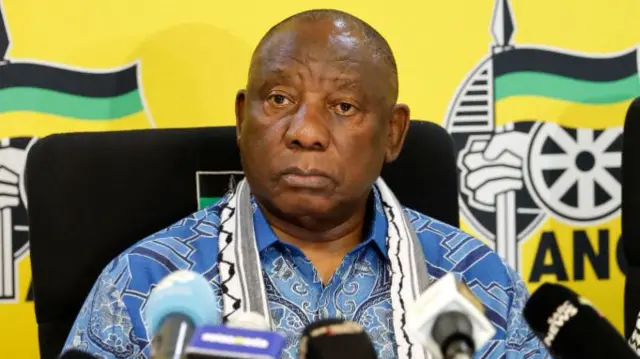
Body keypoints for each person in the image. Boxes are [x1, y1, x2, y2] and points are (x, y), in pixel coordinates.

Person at [62, 9, 549, 359]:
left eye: (343, 107)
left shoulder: (475, 281)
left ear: (393, 134)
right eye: (278, 99)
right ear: (240, 118)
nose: (305, 132)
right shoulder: (146, 285)